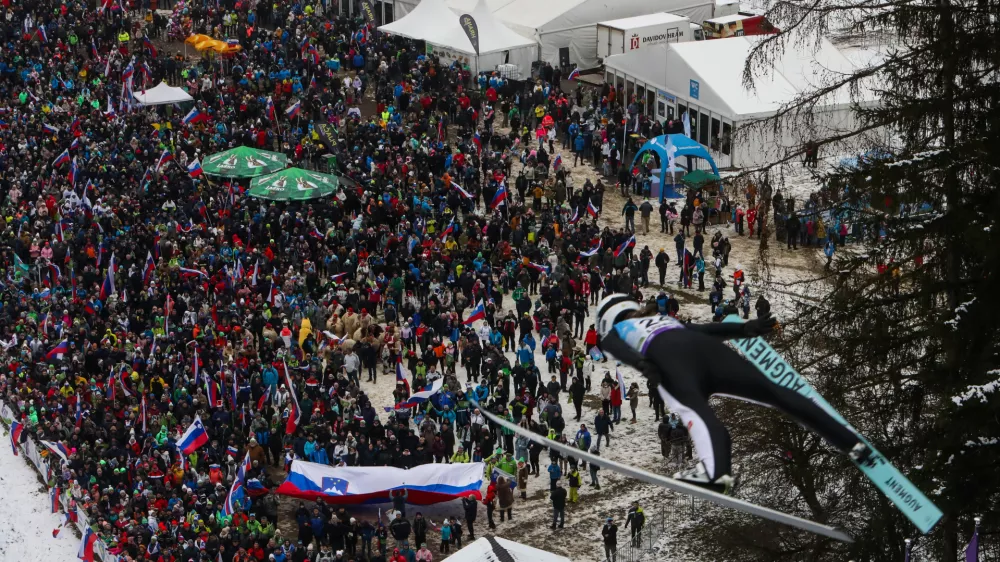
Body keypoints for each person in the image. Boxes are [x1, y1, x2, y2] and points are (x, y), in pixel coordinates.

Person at [594, 294, 873, 491]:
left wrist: (643, 364)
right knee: (775, 392)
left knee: (697, 412)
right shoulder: (666, 319)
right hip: (709, 352)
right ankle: (850, 442)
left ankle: (717, 472)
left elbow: (615, 347)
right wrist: (746, 329)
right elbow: (709, 330)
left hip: (672, 361)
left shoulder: (617, 330)